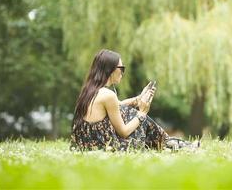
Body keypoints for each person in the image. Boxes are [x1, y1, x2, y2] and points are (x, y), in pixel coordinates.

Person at [70, 49, 199, 152]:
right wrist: (142, 113)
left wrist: (138, 99)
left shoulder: (90, 90)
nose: (122, 73)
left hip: (84, 144)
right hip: (101, 147)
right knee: (134, 116)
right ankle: (171, 143)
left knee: (126, 110)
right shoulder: (108, 95)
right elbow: (124, 132)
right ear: (110, 70)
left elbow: (117, 106)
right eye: (121, 68)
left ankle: (169, 143)